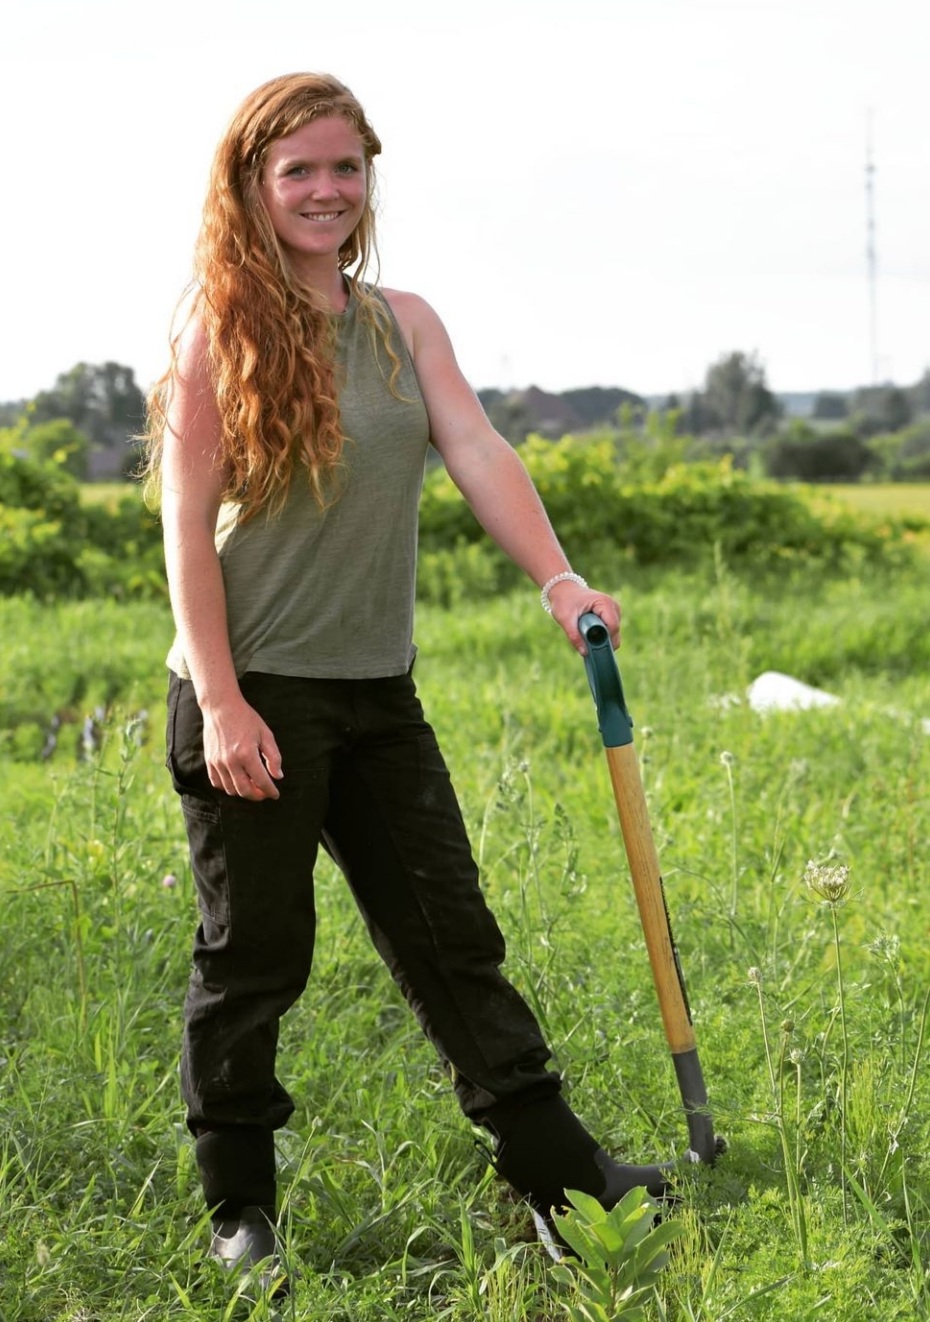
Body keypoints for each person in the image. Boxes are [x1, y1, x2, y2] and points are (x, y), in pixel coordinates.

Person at [146, 72, 666, 1292]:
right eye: (299, 171)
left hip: (377, 692)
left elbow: (476, 449)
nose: (326, 190)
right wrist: (221, 699)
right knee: (256, 955)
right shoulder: (220, 329)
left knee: (452, 938)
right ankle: (240, 1207)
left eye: (346, 166)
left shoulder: (404, 324)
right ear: (253, 185)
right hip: (253, 691)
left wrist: (558, 578)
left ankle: (561, 1178)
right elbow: (183, 528)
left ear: (369, 176)